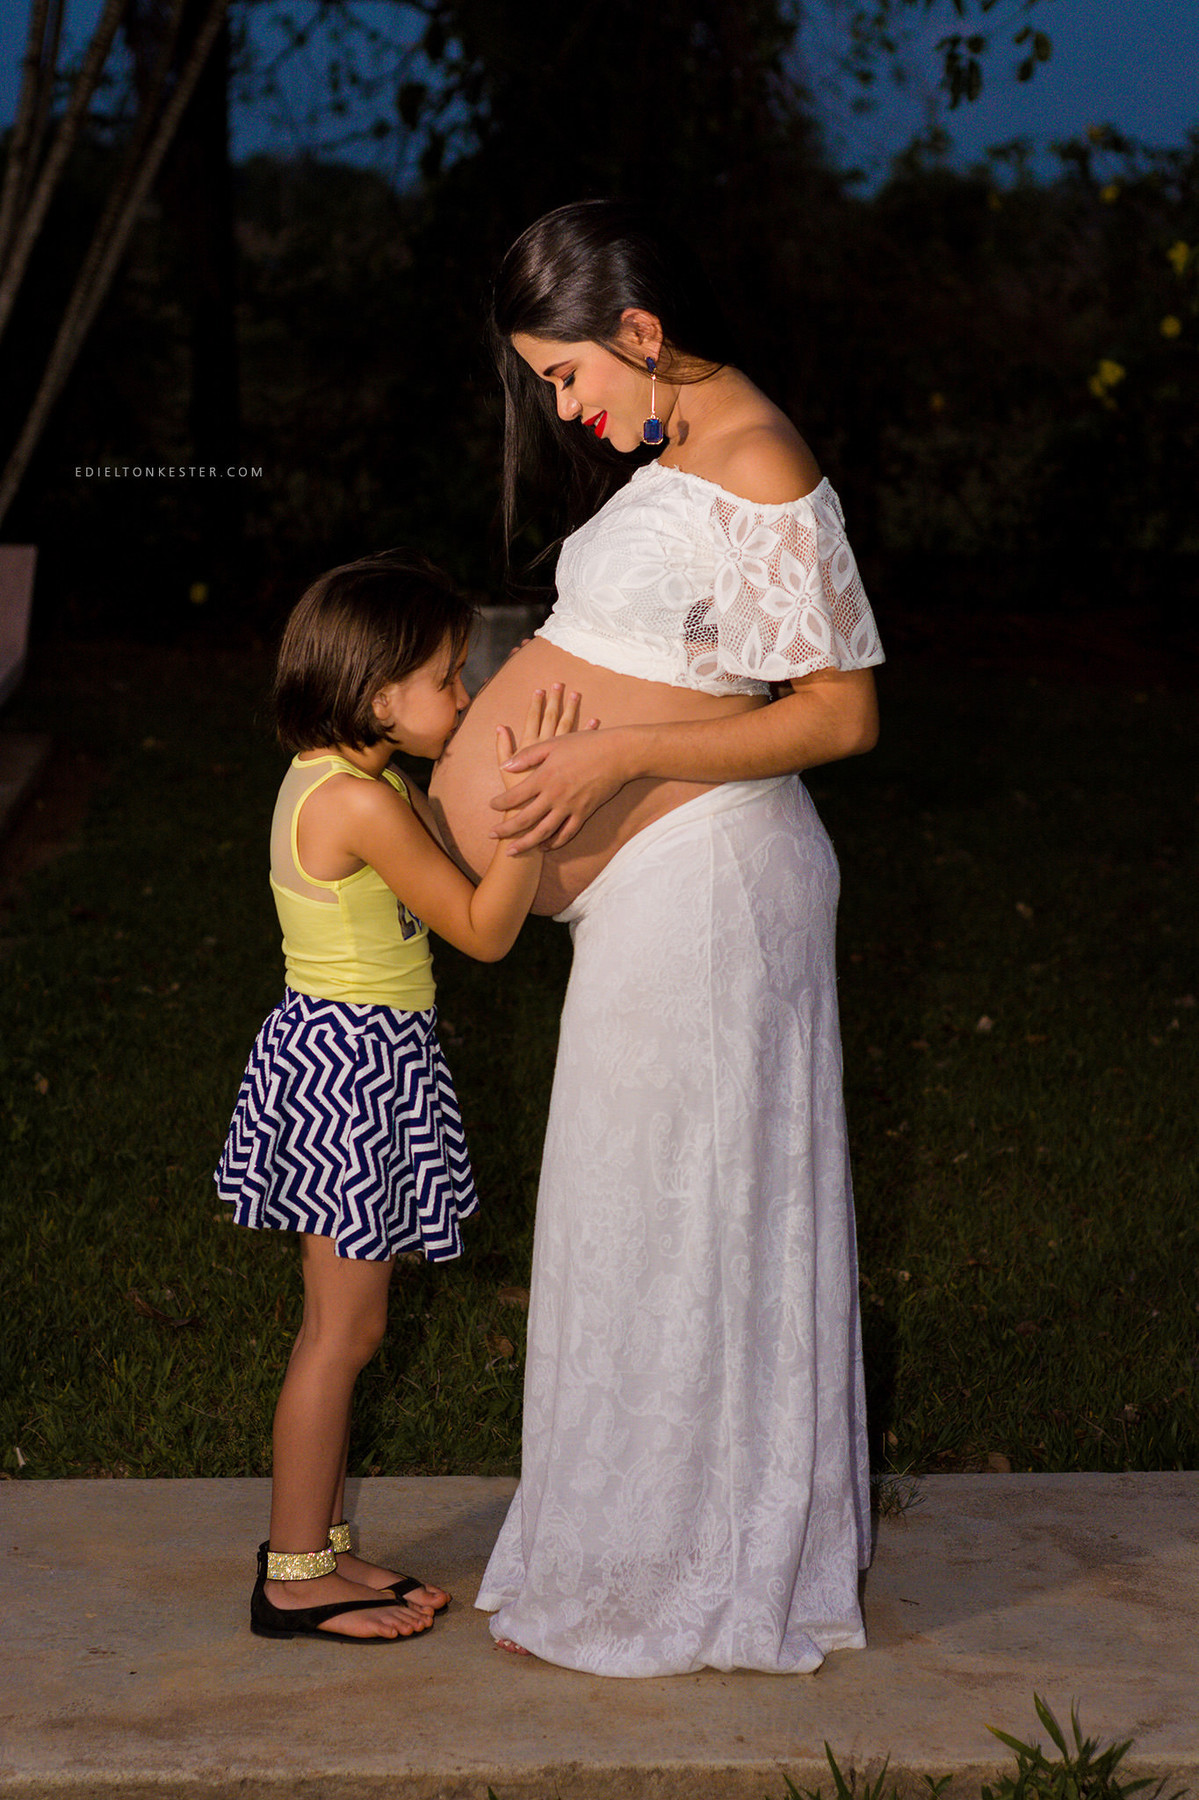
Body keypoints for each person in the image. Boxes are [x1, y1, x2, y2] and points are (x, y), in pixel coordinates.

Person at [427, 200, 885, 1677]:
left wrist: (610, 759)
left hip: (715, 890)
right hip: (652, 890)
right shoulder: (679, 450)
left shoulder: (756, 457)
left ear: (636, 331)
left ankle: (683, 1574)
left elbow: (833, 713)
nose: (563, 407)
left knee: (685, 1223)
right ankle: (618, 1549)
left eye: (565, 377)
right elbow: (706, 679)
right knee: (633, 1222)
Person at [215, 547, 589, 1642]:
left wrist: (506, 772)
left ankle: (319, 1547)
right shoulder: (359, 804)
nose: (462, 696)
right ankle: (290, 1579)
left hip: (356, 1059)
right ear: (379, 695)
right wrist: (534, 815)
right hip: (350, 1069)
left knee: (350, 1328)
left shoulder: (362, 781)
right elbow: (480, 929)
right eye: (445, 678)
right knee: (338, 1334)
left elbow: (452, 843)